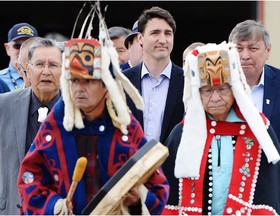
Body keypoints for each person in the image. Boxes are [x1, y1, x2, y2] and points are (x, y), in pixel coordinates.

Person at [17, 8, 169, 215]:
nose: (79, 88)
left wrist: (139, 198)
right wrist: (55, 206)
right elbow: (29, 178)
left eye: (88, 81)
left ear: (107, 87)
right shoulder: (57, 122)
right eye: (74, 81)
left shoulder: (125, 125)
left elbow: (158, 188)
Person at [162, 42, 280, 215]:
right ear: (197, 93)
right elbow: (167, 193)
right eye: (207, 90)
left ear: (235, 90)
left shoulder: (258, 130)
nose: (215, 98)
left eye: (222, 89)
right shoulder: (183, 134)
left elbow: (274, 193)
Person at [0, 38, 62, 215]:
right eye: (39, 64)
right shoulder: (3, 106)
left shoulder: (77, 111)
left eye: (53, 65)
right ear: (28, 69)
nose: (46, 71)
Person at [228, 19, 280, 163]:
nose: (245, 56)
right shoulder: (219, 86)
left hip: (277, 176)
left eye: (253, 49)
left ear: (268, 51)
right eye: (239, 49)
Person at [123, 6, 184, 144]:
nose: (162, 40)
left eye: (168, 33)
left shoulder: (188, 82)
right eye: (155, 33)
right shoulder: (122, 82)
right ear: (140, 38)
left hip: (173, 164)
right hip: (129, 163)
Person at [0, 22, 38, 91]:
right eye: (17, 46)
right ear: (7, 48)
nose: (22, 51)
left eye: (28, 46)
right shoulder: (1, 80)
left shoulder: (46, 78)